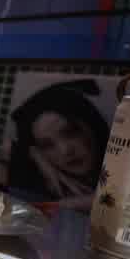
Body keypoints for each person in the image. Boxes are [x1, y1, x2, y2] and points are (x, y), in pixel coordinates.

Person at [7, 80, 110, 210]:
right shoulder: (41, 184)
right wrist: (34, 156)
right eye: (47, 145)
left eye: (70, 133)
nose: (65, 151)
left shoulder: (126, 162)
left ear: (92, 127)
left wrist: (69, 204)